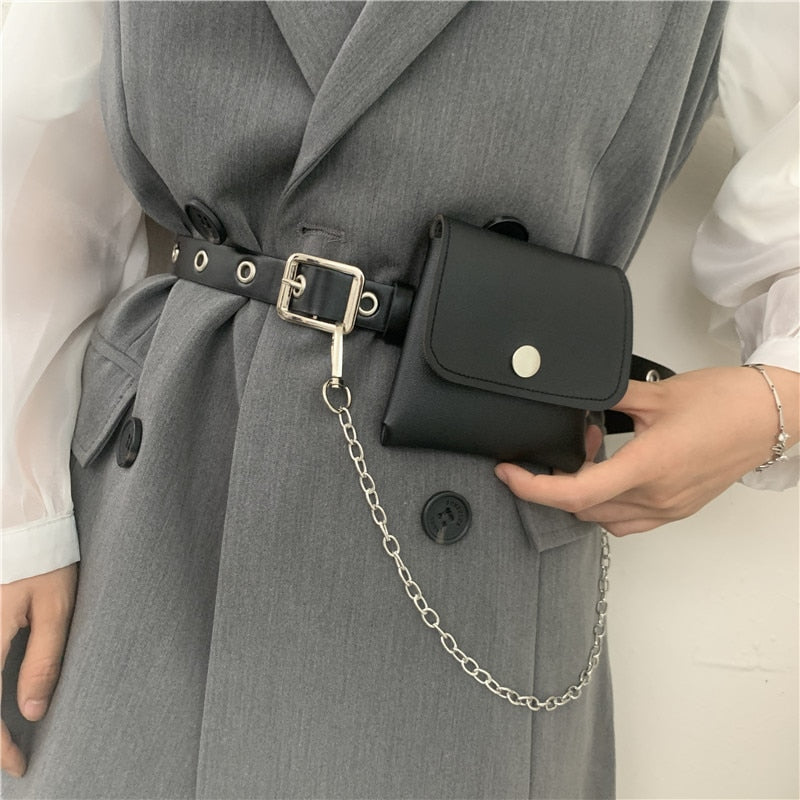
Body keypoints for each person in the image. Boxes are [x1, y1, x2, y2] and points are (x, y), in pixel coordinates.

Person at [2, 2, 797, 798]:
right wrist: (20, 518)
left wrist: (774, 402)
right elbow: (42, 134)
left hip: (473, 516)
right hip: (157, 490)